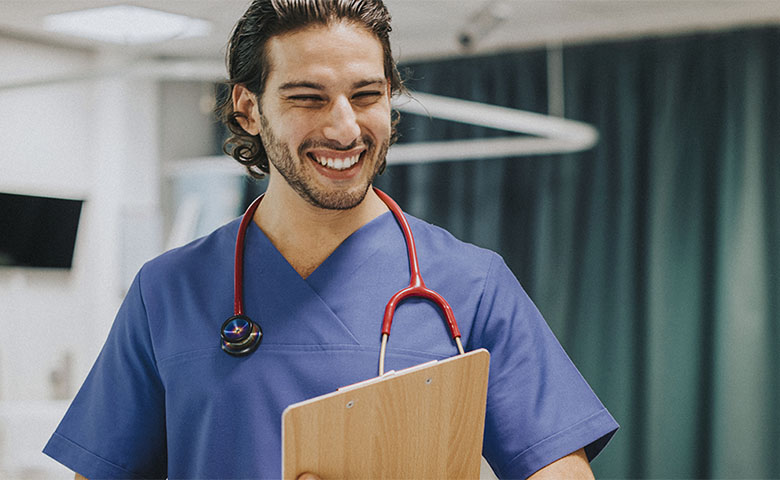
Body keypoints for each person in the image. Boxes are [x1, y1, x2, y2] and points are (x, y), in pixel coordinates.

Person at [44, 0, 618, 478]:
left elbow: (560, 469)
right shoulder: (168, 291)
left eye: (366, 95)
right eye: (308, 98)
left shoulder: (471, 284)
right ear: (248, 108)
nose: (345, 128)